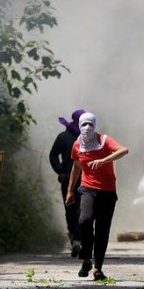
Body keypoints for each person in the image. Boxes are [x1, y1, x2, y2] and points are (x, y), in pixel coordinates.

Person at [65, 112, 129, 281]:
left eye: (90, 124)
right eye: (84, 124)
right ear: (78, 125)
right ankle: (86, 259)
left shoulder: (104, 140)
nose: (87, 128)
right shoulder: (77, 145)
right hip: (87, 188)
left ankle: (97, 268)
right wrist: (70, 190)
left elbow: (124, 150)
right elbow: (76, 167)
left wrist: (104, 160)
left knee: (102, 229)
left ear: (95, 126)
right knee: (84, 220)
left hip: (107, 190)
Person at [49, 109, 85, 257]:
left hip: (87, 180)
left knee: (84, 211)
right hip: (68, 180)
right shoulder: (63, 137)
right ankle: (75, 239)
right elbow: (53, 155)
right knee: (71, 211)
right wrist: (60, 171)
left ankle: (82, 240)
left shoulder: (88, 138)